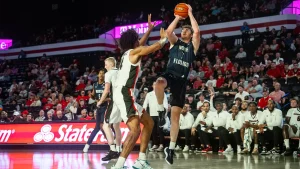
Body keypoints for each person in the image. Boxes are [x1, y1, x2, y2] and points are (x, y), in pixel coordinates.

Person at [110, 18, 168, 169]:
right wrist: (163, 40)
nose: (139, 41)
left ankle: (141, 160)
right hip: (124, 93)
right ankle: (119, 165)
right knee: (135, 130)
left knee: (149, 123)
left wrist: (149, 30)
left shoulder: (128, 53)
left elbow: (141, 44)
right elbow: (152, 48)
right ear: (134, 42)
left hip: (124, 93)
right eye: (137, 39)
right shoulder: (135, 52)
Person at [153, 4, 200, 165]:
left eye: (187, 30)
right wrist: (178, 17)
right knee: (158, 84)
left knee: (175, 117)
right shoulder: (175, 42)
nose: (184, 31)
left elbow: (198, 32)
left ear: (191, 34)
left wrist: (190, 13)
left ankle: (171, 149)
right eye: (183, 30)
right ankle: (160, 111)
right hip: (170, 75)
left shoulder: (192, 47)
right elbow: (168, 32)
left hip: (181, 81)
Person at [96, 57, 123, 161]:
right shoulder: (120, 72)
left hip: (114, 101)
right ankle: (119, 149)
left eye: (106, 64)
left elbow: (107, 90)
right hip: (123, 100)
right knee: (116, 126)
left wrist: (100, 101)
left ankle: (113, 150)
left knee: (106, 126)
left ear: (111, 65)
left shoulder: (109, 73)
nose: (105, 66)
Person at [83, 69, 108, 152]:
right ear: (98, 75)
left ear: (105, 75)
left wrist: (103, 100)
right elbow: (94, 96)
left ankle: (113, 145)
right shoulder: (95, 84)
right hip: (98, 107)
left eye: (103, 73)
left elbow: (111, 98)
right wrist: (92, 96)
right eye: (100, 73)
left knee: (102, 127)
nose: (101, 75)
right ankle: (87, 145)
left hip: (105, 107)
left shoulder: (107, 85)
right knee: (97, 127)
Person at [144, 82, 168, 152]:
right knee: (153, 130)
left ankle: (161, 144)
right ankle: (155, 144)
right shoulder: (149, 94)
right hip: (152, 114)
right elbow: (145, 104)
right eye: (154, 85)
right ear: (152, 86)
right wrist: (143, 113)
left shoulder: (162, 93)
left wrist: (165, 114)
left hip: (160, 114)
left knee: (160, 130)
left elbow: (165, 103)